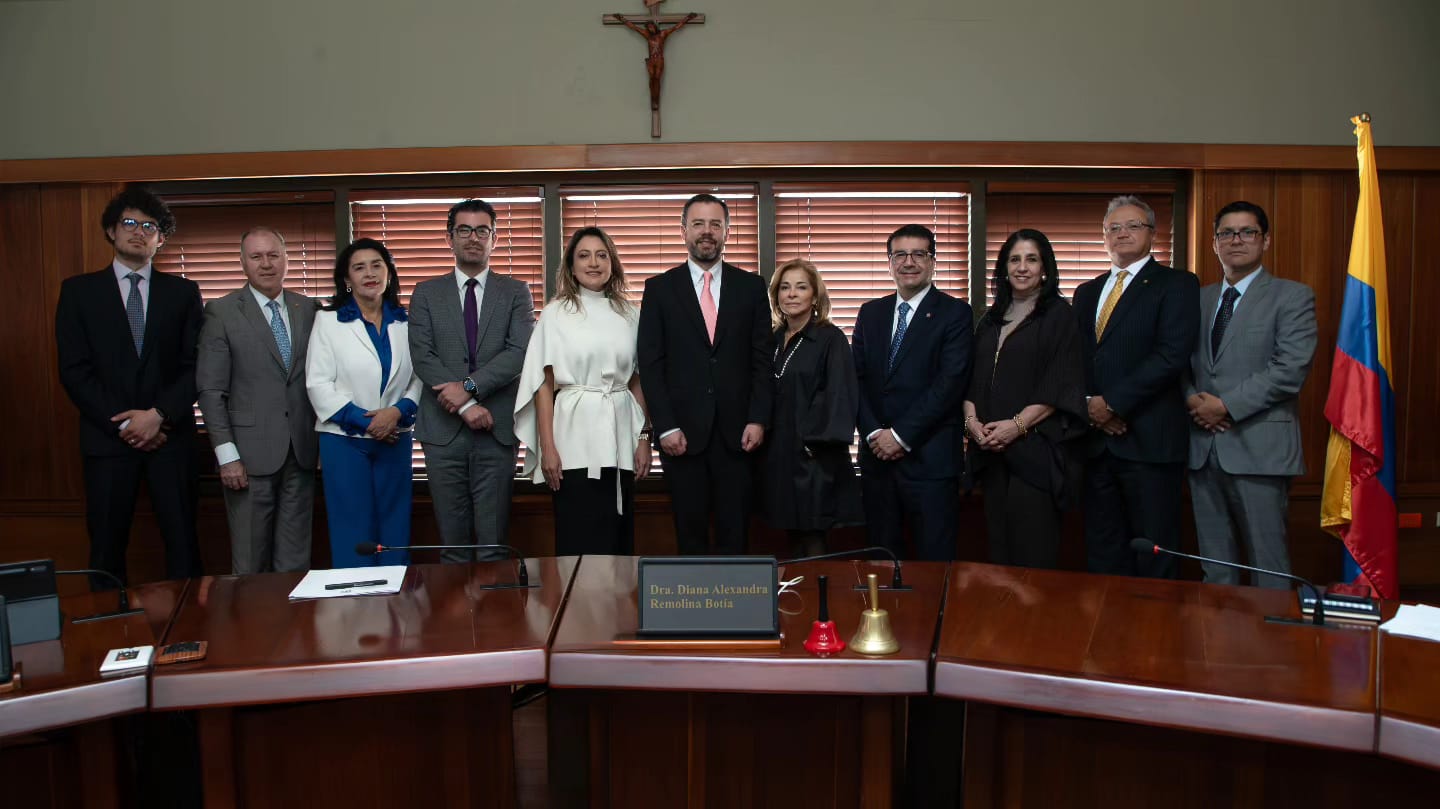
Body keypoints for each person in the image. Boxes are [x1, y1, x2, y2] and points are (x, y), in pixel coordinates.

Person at [55, 187, 203, 587]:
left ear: (161, 238)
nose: (139, 232)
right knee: (105, 548)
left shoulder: (183, 293)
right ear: (111, 230)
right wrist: (125, 426)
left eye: (150, 226)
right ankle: (105, 637)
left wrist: (158, 416)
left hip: (170, 439)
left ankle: (189, 635)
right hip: (107, 442)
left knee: (184, 546)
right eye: (130, 223)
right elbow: (74, 370)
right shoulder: (78, 292)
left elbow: (195, 365)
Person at [1185, 201, 1317, 588]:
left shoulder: (1292, 297)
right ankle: (1220, 647)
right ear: (1214, 243)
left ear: (1266, 240)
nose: (1236, 240)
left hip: (1260, 450)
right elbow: (1179, 361)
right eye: (1226, 233)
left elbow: (1290, 368)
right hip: (1201, 448)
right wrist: (1193, 400)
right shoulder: (1198, 298)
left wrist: (1225, 406)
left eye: (1247, 232)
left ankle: (1273, 648)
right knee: (1215, 568)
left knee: (1268, 567)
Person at [638, 193, 772, 555]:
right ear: (684, 230)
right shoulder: (659, 289)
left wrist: (758, 419)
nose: (707, 232)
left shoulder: (752, 287)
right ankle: (693, 612)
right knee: (689, 534)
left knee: (736, 535)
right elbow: (650, 364)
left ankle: (738, 612)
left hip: (739, 436)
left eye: (716, 224)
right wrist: (664, 426)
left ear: (727, 231)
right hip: (681, 437)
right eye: (698, 223)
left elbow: (763, 361)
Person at [1073, 195, 1199, 578]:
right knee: (1103, 550)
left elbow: (1171, 355)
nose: (1122, 233)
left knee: (1155, 553)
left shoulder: (1176, 284)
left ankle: (1155, 638)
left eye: (1133, 226)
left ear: (1152, 233)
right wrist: (1091, 407)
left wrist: (1112, 404)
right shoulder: (1087, 291)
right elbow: (1075, 360)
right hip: (1095, 445)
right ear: (1104, 237)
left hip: (1149, 443)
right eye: (1114, 227)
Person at [409, 199, 535, 562]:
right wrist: (465, 406)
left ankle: (495, 619)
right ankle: (458, 619)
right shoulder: (426, 293)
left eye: (483, 230)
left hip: (495, 431)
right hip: (442, 432)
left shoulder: (515, 292)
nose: (474, 238)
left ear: (494, 238)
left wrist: (467, 388)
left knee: (493, 544)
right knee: (453, 545)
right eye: (464, 230)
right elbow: (423, 356)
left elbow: (518, 352)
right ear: (449, 238)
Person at [514, 227, 652, 555]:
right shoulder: (555, 314)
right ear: (571, 266)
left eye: (601, 255)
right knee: (579, 535)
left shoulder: (630, 315)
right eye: (584, 255)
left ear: (613, 264)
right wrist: (548, 447)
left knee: (618, 535)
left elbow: (638, 379)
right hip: (572, 437)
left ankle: (616, 608)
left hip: (620, 434)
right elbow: (543, 385)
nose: (593, 263)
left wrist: (643, 438)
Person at [197, 227, 319, 574]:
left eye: (273, 255)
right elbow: (211, 391)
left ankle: (293, 629)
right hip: (247, 459)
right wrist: (227, 456)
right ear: (243, 263)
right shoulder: (222, 312)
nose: (266, 264)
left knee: (295, 561)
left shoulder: (308, 308)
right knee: (250, 561)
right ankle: (251, 629)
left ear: (285, 259)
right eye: (256, 256)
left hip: (302, 453)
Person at [963, 229, 1087, 569]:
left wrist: (1016, 427)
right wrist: (971, 423)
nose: (1022, 267)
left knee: (1032, 558)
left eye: (1031, 259)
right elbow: (971, 382)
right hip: (990, 453)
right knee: (998, 556)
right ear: (1003, 268)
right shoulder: (990, 319)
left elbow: (1059, 383)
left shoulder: (1059, 315)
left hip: (1034, 454)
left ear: (1045, 268)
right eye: (1014, 259)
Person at [852, 224, 973, 561]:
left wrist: (901, 436)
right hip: (877, 462)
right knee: (881, 559)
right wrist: (876, 432)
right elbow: (856, 380)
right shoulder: (870, 312)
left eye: (918, 254)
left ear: (932, 261)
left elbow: (949, 384)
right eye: (900, 255)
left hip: (930, 461)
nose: (909, 262)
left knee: (934, 564)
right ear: (889, 263)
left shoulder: (955, 313)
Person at [306, 238, 422, 568]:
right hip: (344, 442)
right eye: (359, 267)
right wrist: (369, 422)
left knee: (395, 532)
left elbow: (420, 378)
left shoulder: (407, 321)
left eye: (377, 265)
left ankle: (396, 612)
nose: (369, 273)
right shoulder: (328, 322)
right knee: (353, 533)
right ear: (346, 279)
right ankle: (356, 612)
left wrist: (398, 413)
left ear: (389, 273)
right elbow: (318, 384)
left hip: (396, 439)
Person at [757, 258, 862, 558]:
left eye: (801, 287)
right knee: (790, 536)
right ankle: (796, 603)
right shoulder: (773, 339)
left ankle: (818, 605)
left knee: (813, 537)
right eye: (785, 288)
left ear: (815, 296)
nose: (791, 294)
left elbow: (840, 395)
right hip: (777, 457)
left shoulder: (830, 338)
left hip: (815, 458)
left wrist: (812, 443)